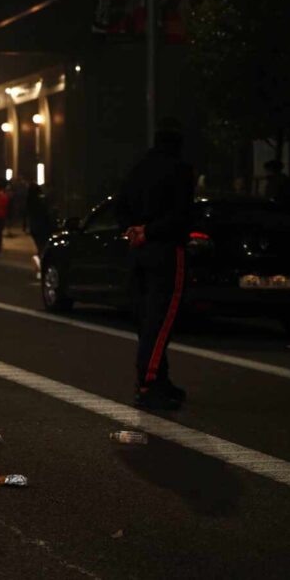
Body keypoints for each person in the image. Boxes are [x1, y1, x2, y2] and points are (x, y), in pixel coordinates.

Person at [115, 122, 193, 410]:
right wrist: (149, 231)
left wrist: (131, 230)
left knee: (147, 318)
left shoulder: (138, 168)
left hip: (138, 251)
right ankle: (149, 382)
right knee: (162, 320)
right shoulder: (180, 170)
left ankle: (159, 378)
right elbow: (181, 214)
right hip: (165, 249)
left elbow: (119, 204)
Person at [26, 183, 52, 277]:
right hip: (42, 226)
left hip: (34, 226)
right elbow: (46, 213)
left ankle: (39, 264)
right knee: (43, 246)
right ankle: (40, 264)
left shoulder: (29, 200)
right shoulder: (41, 201)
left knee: (40, 246)